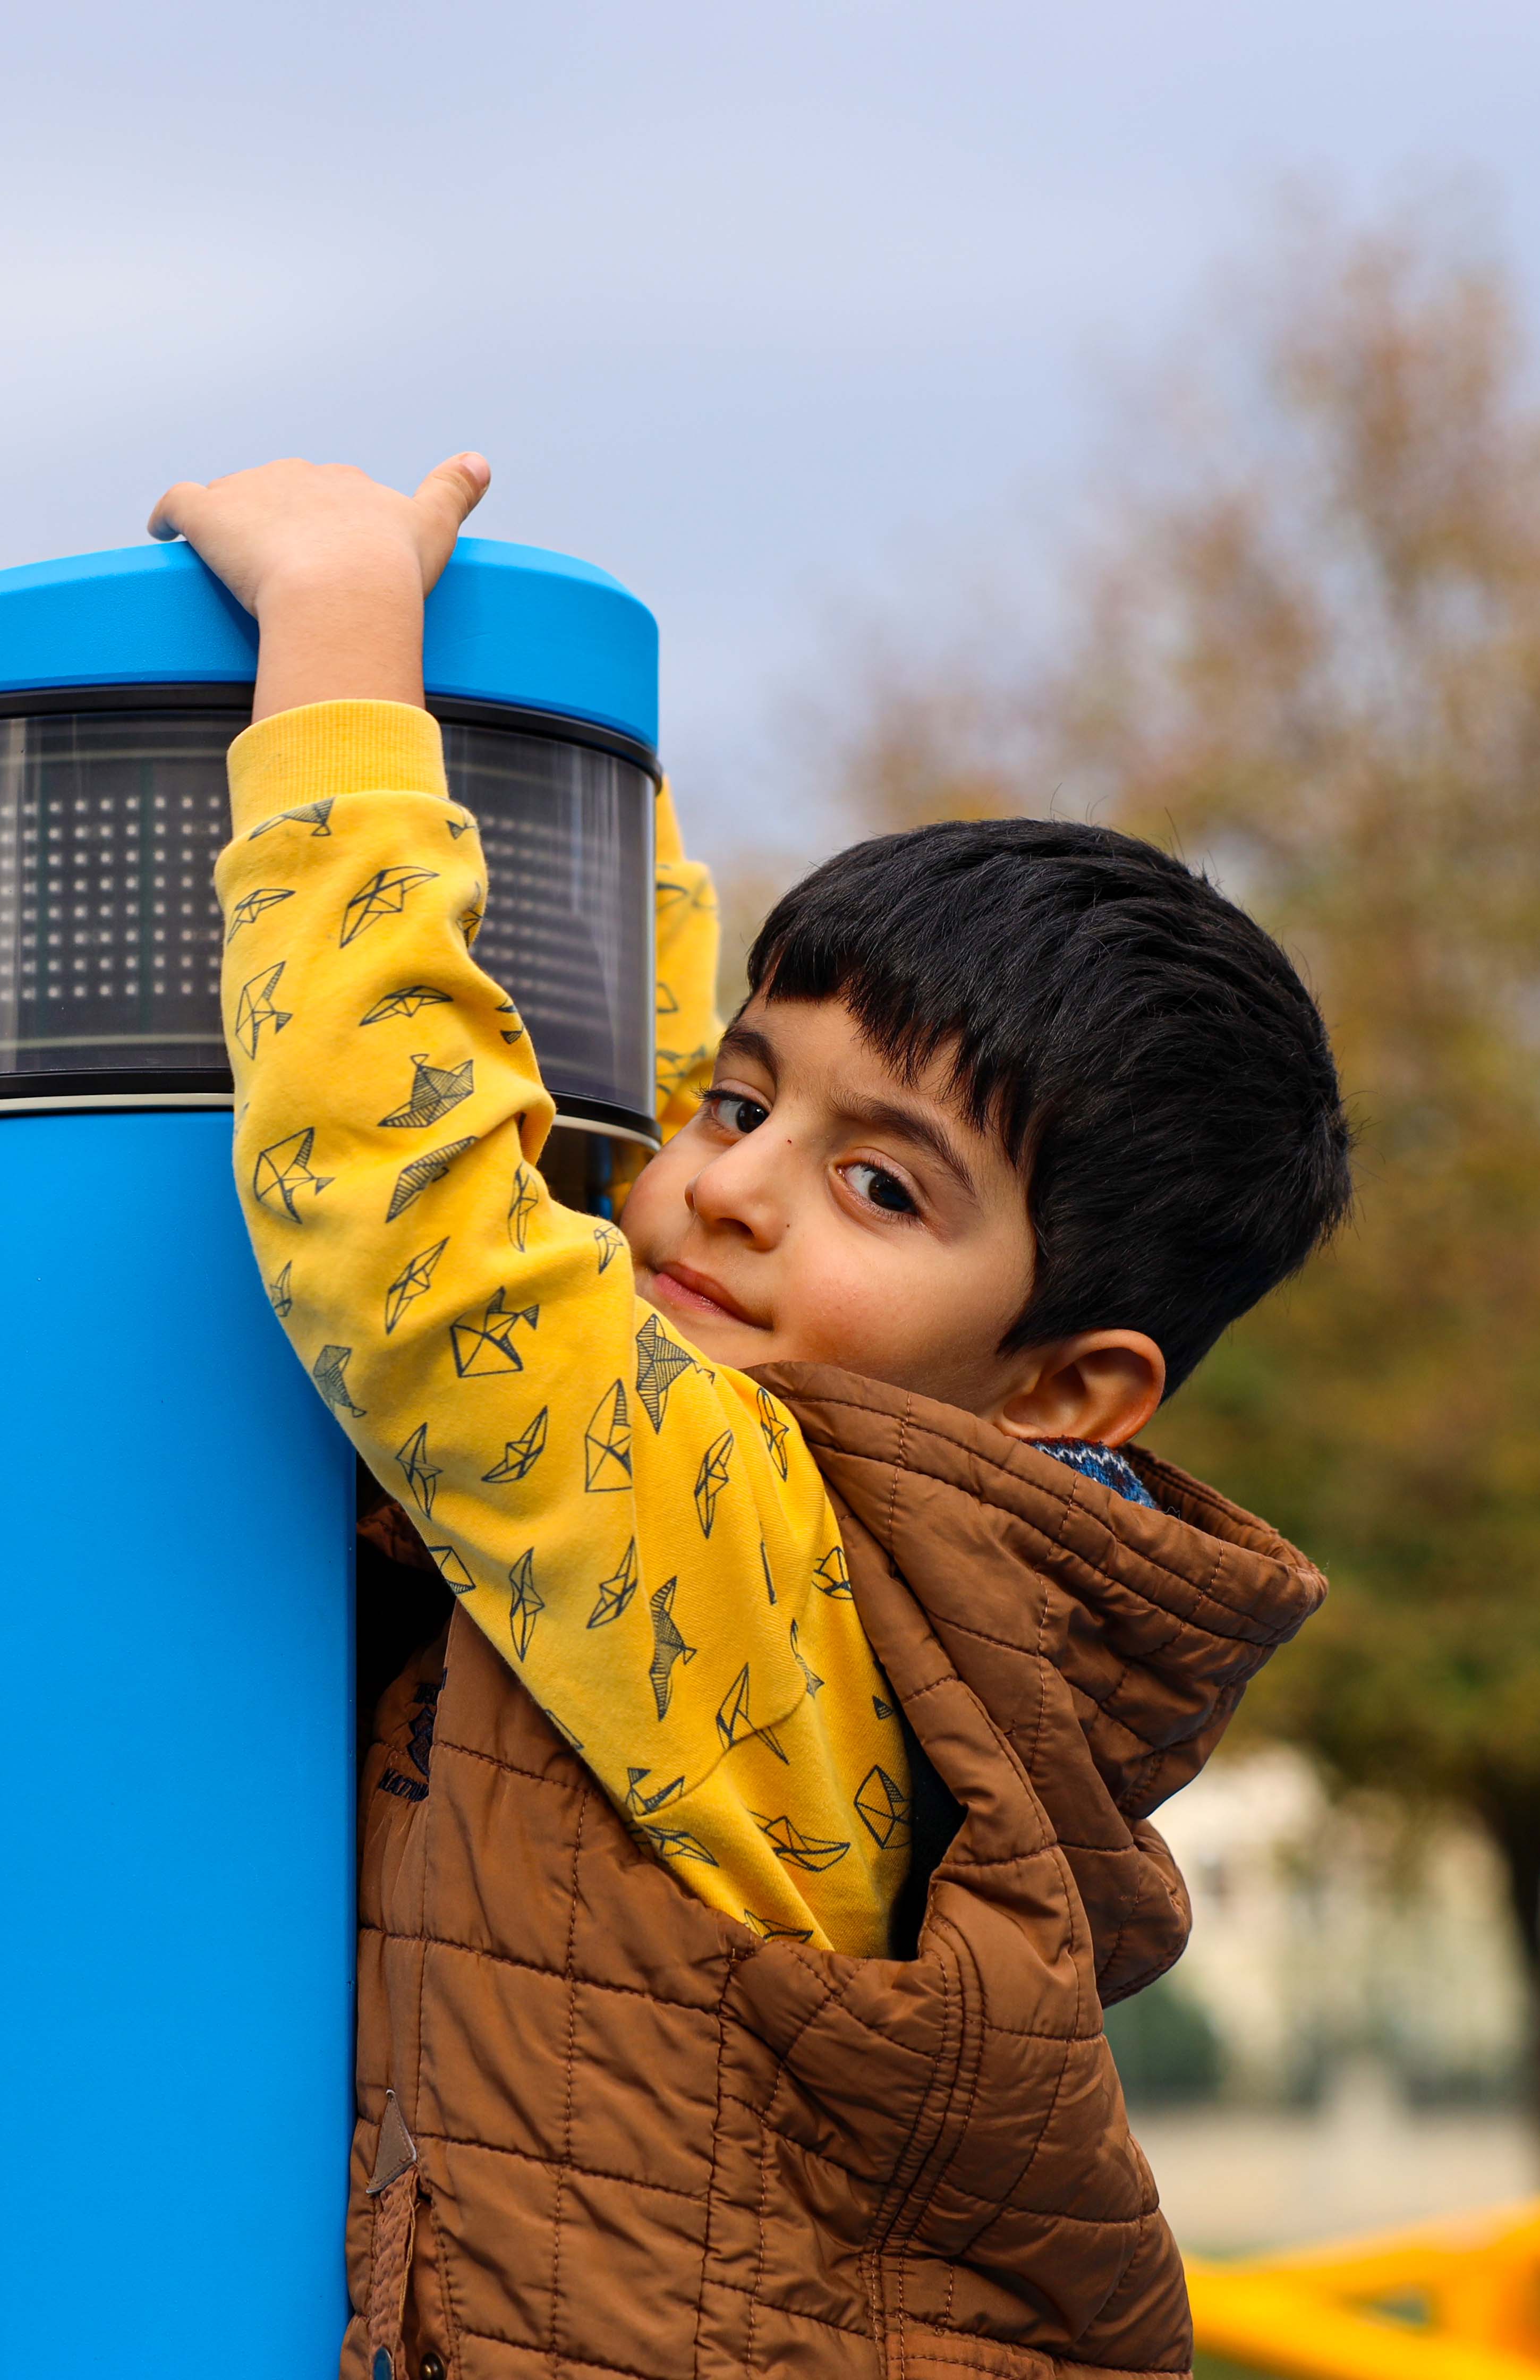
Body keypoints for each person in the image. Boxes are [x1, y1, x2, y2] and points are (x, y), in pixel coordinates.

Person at [152, 454, 1349, 2380]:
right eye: (743, 1101)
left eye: (884, 1188)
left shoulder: (770, 1562)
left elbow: (424, 1240)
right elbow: (586, 1163)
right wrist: (580, 753)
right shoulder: (919, 1612)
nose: (732, 1187)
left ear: (1062, 1390)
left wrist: (349, 642)